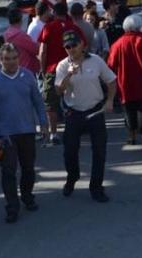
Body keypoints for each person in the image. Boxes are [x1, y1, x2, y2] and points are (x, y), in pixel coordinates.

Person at [0, 44, 48, 223]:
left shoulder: (27, 76)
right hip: (6, 135)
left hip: (27, 131)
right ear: (0, 59)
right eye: (6, 59)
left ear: (18, 58)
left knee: (28, 169)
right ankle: (12, 207)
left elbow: (37, 101)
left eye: (13, 58)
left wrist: (43, 123)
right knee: (9, 172)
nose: (10, 62)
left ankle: (27, 196)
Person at [55, 31, 116, 202]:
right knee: (70, 151)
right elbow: (58, 90)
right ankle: (72, 177)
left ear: (82, 44)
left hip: (95, 111)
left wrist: (110, 100)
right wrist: (69, 75)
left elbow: (111, 80)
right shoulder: (62, 66)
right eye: (67, 47)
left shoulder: (95, 61)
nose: (71, 49)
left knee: (99, 151)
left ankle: (96, 187)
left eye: (74, 45)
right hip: (74, 113)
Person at [107, 15, 142, 150]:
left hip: (125, 82)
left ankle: (131, 137)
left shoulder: (117, 44)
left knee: (129, 111)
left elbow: (111, 64)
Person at [38, 2, 85, 146]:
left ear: (54, 12)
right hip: (72, 68)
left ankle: (54, 133)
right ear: (66, 12)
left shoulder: (48, 28)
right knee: (75, 101)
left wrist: (43, 70)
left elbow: (42, 52)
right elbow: (84, 45)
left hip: (53, 70)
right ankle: (77, 129)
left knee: (51, 104)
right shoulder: (74, 28)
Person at [4, 8, 40, 75]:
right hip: (27, 71)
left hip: (14, 70)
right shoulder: (21, 35)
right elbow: (36, 49)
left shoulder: (6, 35)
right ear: (21, 19)